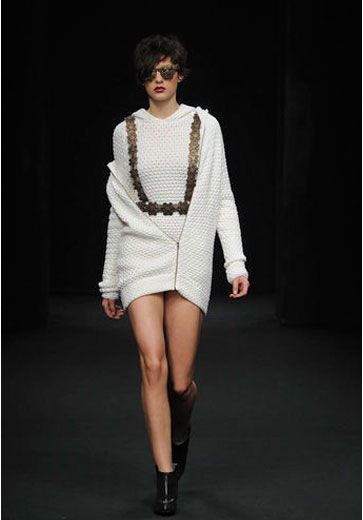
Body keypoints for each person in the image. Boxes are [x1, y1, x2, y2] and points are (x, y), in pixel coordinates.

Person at [98, 34, 250, 516]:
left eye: (167, 71)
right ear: (141, 78)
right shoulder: (125, 132)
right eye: (151, 73)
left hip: (189, 252)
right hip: (139, 251)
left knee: (180, 382)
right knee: (152, 365)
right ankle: (165, 478)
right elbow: (118, 208)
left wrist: (235, 260)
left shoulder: (206, 126)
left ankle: (180, 430)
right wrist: (109, 280)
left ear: (181, 74)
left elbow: (222, 196)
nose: (159, 80)